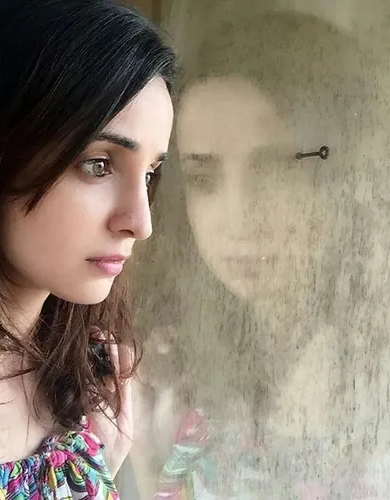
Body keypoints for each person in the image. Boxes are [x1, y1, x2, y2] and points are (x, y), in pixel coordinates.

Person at [0, 0, 175, 498]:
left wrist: (101, 467)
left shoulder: (92, 381)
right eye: (99, 165)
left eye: (150, 174)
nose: (140, 223)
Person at [130, 11, 390, 499]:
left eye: (276, 171)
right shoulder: (161, 366)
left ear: (347, 179)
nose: (238, 218)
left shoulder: (372, 374)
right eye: (203, 178)